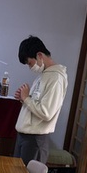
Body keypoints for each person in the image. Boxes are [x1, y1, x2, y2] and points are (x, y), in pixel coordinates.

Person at [13, 35, 68, 165]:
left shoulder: (56, 78)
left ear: (39, 55)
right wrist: (24, 99)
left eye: (30, 63)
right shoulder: (44, 75)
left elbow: (46, 112)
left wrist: (26, 98)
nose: (30, 67)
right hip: (25, 136)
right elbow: (38, 104)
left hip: (34, 140)